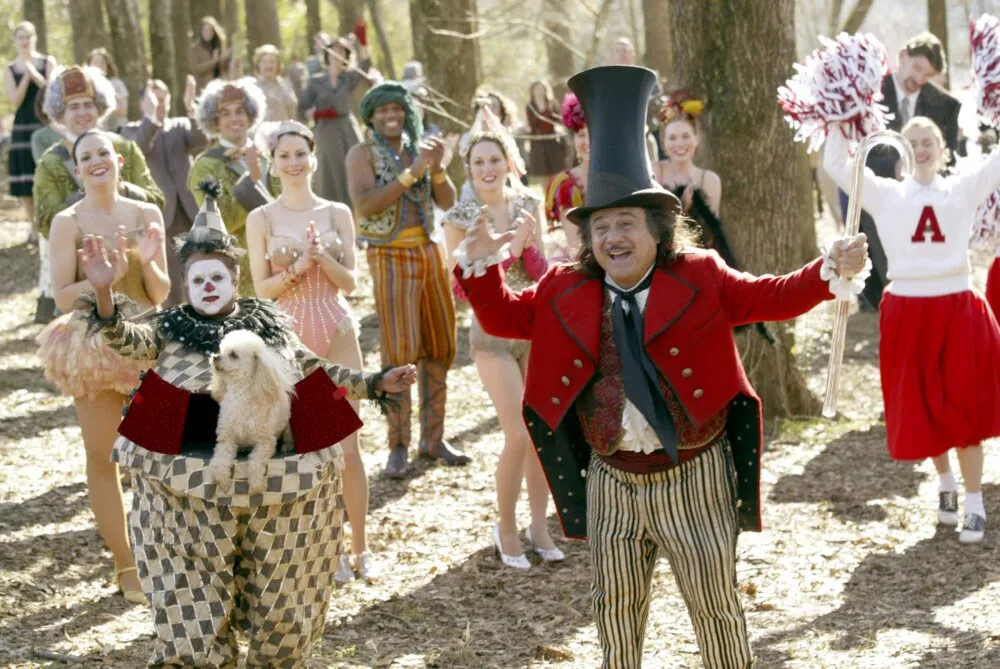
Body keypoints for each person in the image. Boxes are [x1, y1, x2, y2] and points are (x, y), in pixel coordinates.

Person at [454, 64, 869, 668]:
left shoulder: (701, 275)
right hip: (612, 479)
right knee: (614, 607)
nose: (612, 237)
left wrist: (829, 267)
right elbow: (504, 317)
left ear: (657, 228)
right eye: (600, 226)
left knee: (715, 605)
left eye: (626, 223)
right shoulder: (565, 287)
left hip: (693, 474)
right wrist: (479, 265)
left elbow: (773, 295)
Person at [76, 181, 416, 667]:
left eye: (216, 276)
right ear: (186, 284)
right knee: (192, 622)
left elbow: (316, 371)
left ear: (236, 280)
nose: (208, 287)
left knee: (283, 613)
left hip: (275, 487)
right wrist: (105, 291)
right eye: (198, 279)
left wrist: (376, 381)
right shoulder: (166, 330)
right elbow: (124, 338)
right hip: (187, 493)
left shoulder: (270, 328)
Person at [825, 117, 1000, 544]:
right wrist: (838, 116)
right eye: (913, 142)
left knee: (962, 403)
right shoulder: (886, 194)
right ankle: (945, 484)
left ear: (942, 149)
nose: (921, 149)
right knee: (923, 403)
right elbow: (836, 165)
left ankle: (975, 502)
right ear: (902, 150)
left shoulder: (960, 187)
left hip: (956, 304)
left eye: (928, 141)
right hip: (907, 308)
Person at [35, 129, 170, 606]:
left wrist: (144, 263)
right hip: (93, 344)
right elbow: (61, 294)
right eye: (85, 156)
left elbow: (160, 292)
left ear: (119, 160)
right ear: (77, 169)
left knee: (161, 454)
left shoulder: (147, 213)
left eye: (103, 153)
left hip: (147, 340)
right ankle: (126, 562)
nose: (96, 161)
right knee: (103, 455)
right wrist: (103, 283)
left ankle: (166, 550)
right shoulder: (67, 222)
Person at [245, 120, 377, 582]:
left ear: (313, 157)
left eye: (300, 153)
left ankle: (360, 547)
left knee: (347, 448)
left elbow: (352, 282)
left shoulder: (337, 212)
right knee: (310, 449)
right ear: (273, 163)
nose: (294, 162)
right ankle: (327, 546)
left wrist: (322, 259)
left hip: (337, 327)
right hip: (290, 336)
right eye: (284, 156)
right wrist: (297, 267)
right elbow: (262, 289)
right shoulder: (261, 218)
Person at [442, 130, 558, 568]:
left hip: (532, 327)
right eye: (479, 162)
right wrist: (508, 251)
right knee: (517, 434)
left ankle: (539, 526)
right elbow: (461, 287)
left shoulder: (527, 204)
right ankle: (506, 528)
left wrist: (529, 249)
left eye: (495, 159)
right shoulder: (460, 217)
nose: (488, 169)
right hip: (492, 335)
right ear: (469, 169)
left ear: (509, 161)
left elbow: (542, 270)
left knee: (541, 432)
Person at [346, 81, 469, 477]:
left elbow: (448, 202)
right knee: (399, 349)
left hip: (429, 251)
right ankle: (397, 446)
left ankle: (433, 440)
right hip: (389, 253)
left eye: (397, 109)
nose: (391, 115)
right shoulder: (361, 153)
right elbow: (365, 205)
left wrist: (437, 169)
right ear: (372, 117)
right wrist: (409, 174)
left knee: (440, 344)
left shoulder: (420, 146)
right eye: (383, 110)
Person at [839, 32, 960, 311]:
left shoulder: (946, 106)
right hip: (876, 194)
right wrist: (893, 167)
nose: (919, 79)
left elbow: (951, 159)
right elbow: (855, 152)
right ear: (903, 56)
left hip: (924, 202)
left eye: (927, 75)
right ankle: (885, 299)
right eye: (916, 68)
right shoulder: (867, 96)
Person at [34, 66, 164, 324]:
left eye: (88, 104)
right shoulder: (50, 162)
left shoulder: (125, 147)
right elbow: (46, 220)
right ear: (61, 113)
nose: (82, 112)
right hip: (83, 278)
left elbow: (156, 199)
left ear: (100, 107)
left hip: (137, 273)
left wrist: (118, 192)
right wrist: (91, 200)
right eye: (73, 107)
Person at [120, 76, 208, 306]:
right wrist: (151, 119)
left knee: (198, 269)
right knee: (171, 279)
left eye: (162, 99)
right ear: (142, 103)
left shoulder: (180, 125)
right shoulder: (130, 130)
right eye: (153, 99)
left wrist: (191, 108)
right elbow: (138, 149)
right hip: (160, 215)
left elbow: (201, 140)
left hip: (190, 211)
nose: (159, 104)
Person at [188, 77, 278, 297]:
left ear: (250, 115)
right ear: (215, 121)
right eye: (225, 113)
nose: (234, 118)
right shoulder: (205, 165)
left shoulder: (268, 155)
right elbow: (221, 221)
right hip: (240, 272)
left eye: (240, 111)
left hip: (280, 262)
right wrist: (251, 180)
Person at [298, 22, 374, 207]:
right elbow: (302, 107)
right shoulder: (316, 81)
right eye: (334, 50)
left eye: (341, 51)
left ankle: (355, 210)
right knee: (326, 172)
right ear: (327, 53)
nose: (337, 54)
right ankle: (327, 209)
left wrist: (363, 42)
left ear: (346, 56)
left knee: (352, 166)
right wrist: (310, 113)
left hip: (346, 129)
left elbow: (366, 64)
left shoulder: (349, 78)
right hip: (325, 132)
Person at [4, 21, 55, 236]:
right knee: (25, 175)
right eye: (21, 37)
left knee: (48, 170)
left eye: (28, 37)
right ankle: (33, 225)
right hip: (22, 125)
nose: (25, 41)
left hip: (45, 122)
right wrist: (25, 76)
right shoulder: (10, 69)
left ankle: (50, 221)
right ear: (16, 41)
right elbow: (15, 100)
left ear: (34, 38)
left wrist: (35, 74)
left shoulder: (47, 62)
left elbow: (51, 91)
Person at [543, 92, 588, 262]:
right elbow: (575, 248)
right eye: (581, 135)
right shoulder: (567, 185)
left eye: (593, 134)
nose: (587, 142)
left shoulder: (622, 176)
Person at [525, 80, 564, 185]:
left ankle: (556, 193)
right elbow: (531, 123)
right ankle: (547, 194)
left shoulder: (552, 103)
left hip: (552, 142)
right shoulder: (530, 106)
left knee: (556, 172)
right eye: (537, 89)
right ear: (532, 91)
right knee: (543, 173)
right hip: (537, 143)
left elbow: (558, 120)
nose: (539, 92)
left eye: (541, 89)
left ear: (546, 90)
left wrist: (550, 111)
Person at [86, 48, 128, 130]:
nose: (99, 65)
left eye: (102, 62)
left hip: (117, 130)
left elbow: (122, 113)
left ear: (107, 66)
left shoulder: (117, 84)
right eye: (95, 62)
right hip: (94, 131)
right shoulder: (85, 86)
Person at [254, 44, 298, 122]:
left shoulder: (286, 84)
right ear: (258, 65)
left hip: (286, 128)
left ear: (278, 64)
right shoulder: (254, 87)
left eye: (272, 62)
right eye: (264, 62)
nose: (268, 65)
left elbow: (293, 112)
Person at [189, 16, 231, 92]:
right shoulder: (195, 48)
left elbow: (225, 68)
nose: (208, 32)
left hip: (221, 87)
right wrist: (214, 61)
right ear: (201, 31)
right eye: (205, 30)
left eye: (210, 30)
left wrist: (224, 58)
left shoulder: (219, 46)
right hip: (204, 89)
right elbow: (196, 69)